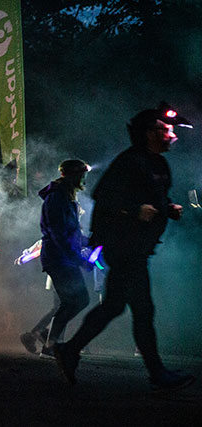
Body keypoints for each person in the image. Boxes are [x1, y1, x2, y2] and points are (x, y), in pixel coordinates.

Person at [54, 103, 196, 391]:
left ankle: (69, 351)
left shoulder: (159, 165)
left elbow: (153, 199)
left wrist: (167, 208)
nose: (172, 135)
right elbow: (103, 196)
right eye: (166, 129)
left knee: (115, 306)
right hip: (124, 247)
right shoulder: (129, 161)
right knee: (143, 309)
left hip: (138, 248)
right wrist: (134, 210)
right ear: (149, 133)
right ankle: (157, 373)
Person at [33, 159, 92, 357]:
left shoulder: (64, 196)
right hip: (59, 258)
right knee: (78, 299)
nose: (85, 178)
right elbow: (59, 233)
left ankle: (48, 339)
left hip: (62, 258)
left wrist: (88, 241)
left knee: (72, 301)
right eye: (83, 174)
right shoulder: (57, 197)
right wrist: (79, 259)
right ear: (74, 175)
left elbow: (69, 232)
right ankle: (49, 339)